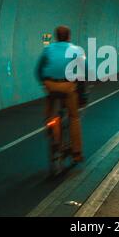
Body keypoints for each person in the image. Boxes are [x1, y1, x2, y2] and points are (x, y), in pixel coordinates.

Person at [35, 25, 86, 163]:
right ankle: (76, 153)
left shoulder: (48, 49)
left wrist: (44, 84)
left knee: (50, 112)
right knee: (74, 116)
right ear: (69, 37)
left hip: (50, 84)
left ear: (56, 37)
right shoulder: (75, 50)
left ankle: (51, 129)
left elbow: (38, 69)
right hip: (67, 86)